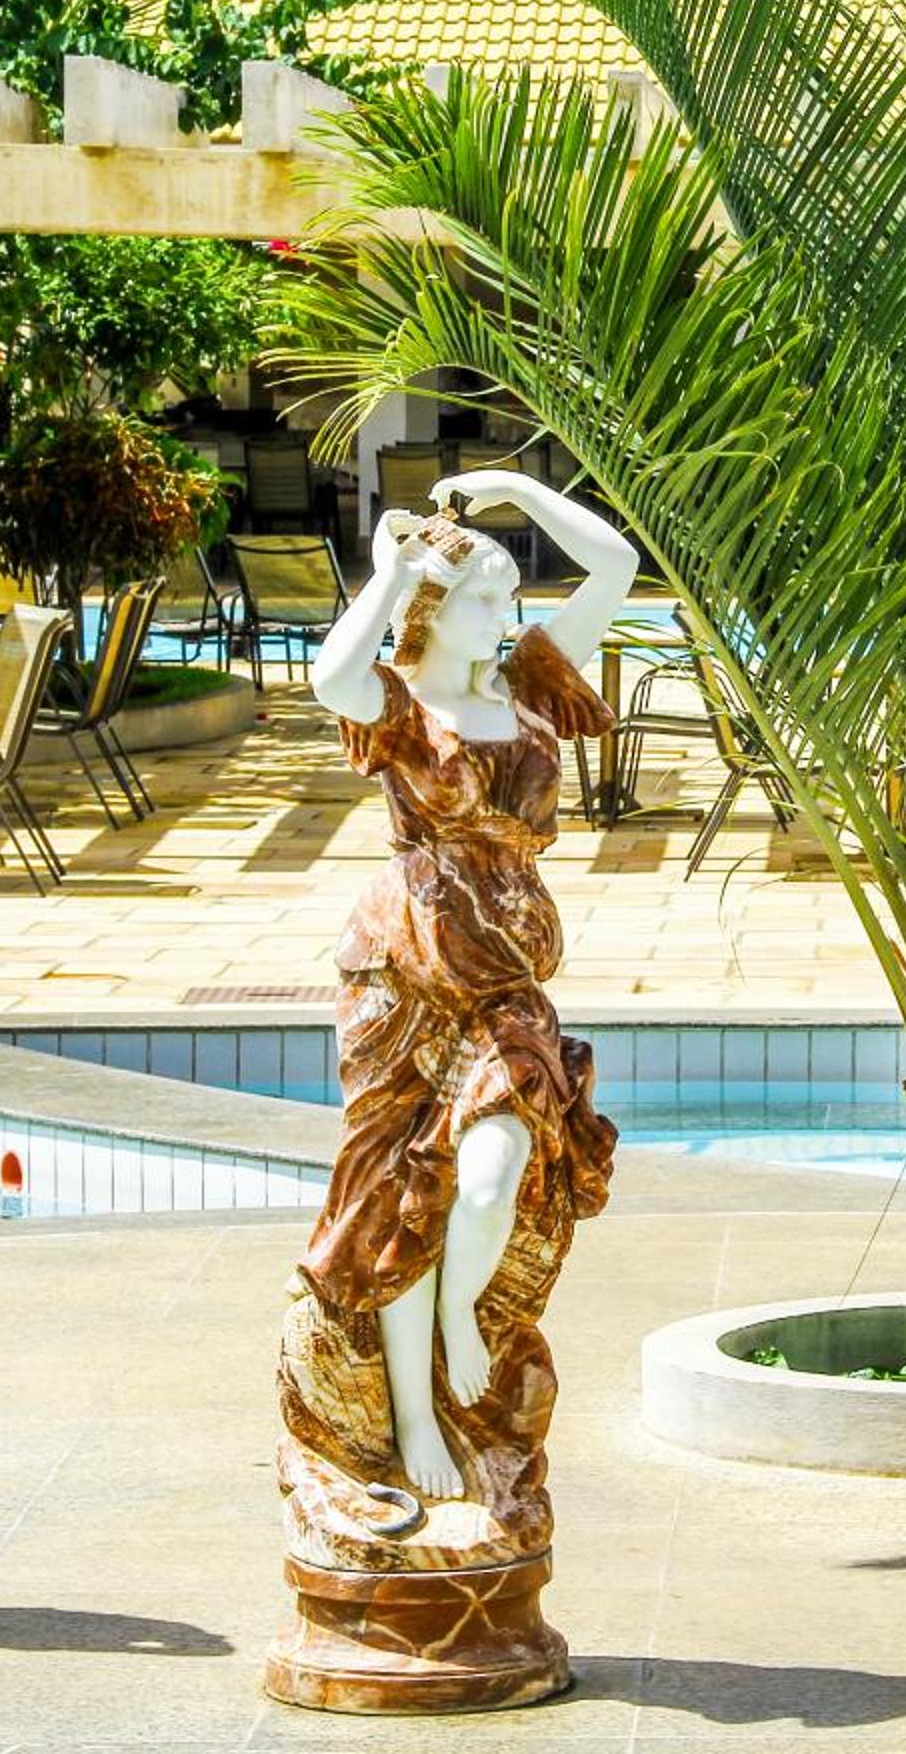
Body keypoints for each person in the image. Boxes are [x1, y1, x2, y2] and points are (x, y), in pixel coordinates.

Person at [295, 470, 634, 1501]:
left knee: (491, 1173)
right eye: (485, 598)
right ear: (433, 610)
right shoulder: (401, 707)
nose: (505, 615)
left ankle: (456, 1314)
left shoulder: (528, 685)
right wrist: (390, 571)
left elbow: (616, 563)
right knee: (403, 1191)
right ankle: (413, 1415)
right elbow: (330, 676)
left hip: (508, 982)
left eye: (510, 596)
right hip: (404, 975)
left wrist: (512, 485)